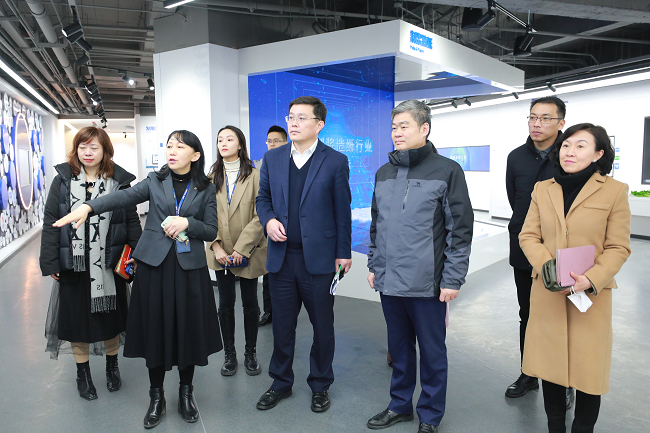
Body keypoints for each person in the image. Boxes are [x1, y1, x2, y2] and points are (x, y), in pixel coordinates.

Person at [53, 130, 221, 429]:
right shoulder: (155, 181)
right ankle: (156, 397)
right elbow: (123, 197)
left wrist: (187, 222)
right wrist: (89, 207)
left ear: (195, 155)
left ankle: (186, 393)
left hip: (189, 270)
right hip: (154, 267)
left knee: (187, 331)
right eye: (169, 145)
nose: (172, 151)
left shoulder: (206, 188)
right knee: (155, 330)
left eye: (180, 147)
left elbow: (210, 230)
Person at [366, 100, 473, 433]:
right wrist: (374, 264)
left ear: (424, 128)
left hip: (428, 283)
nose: (397, 133)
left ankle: (430, 415)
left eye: (404, 126)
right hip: (389, 281)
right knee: (399, 350)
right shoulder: (383, 173)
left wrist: (452, 278)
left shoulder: (447, 170)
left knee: (431, 353)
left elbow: (459, 229)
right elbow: (376, 225)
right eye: (394, 127)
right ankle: (400, 405)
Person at [519, 123, 631, 433]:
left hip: (590, 295)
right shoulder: (543, 189)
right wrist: (550, 269)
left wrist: (591, 278)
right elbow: (528, 236)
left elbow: (618, 246)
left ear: (598, 154)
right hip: (549, 292)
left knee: (589, 370)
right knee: (551, 366)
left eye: (581, 146)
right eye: (566, 145)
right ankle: (555, 427)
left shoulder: (614, 190)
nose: (570, 151)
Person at [255, 96, 352, 413]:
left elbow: (342, 211)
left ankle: (320, 385)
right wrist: (269, 220)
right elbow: (263, 199)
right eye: (290, 117)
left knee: (323, 326)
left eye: (301, 118)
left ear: (319, 124)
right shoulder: (273, 158)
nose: (293, 123)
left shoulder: (335, 161)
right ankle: (280, 382)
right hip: (282, 259)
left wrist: (343, 252)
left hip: (320, 261)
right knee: (282, 327)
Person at [40, 126, 142, 400]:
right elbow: (51, 221)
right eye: (82, 147)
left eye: (94, 147)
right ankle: (82, 374)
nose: (88, 152)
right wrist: (51, 262)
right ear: (76, 150)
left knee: (111, 320)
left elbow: (131, 221)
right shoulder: (62, 181)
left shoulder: (118, 182)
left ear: (105, 150)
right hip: (73, 265)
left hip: (108, 264)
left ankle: (112, 366)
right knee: (77, 323)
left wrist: (137, 254)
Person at [505, 96, 573, 403]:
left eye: (545, 118)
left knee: (562, 316)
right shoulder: (516, 157)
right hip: (524, 249)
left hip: (562, 251)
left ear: (561, 123)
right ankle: (529, 372)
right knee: (528, 313)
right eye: (533, 117)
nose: (537, 123)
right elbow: (515, 199)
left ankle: (565, 379)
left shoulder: (570, 156)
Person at [206, 126, 267, 377]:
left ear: (240, 144)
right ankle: (229, 355)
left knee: (251, 303)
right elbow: (204, 215)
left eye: (229, 139)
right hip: (220, 250)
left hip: (248, 251)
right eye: (220, 139)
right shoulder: (211, 177)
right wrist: (216, 246)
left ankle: (250, 353)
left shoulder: (256, 175)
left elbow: (261, 214)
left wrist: (242, 248)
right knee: (225, 303)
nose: (223, 143)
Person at [259, 125, 288, 327]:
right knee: (270, 274)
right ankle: (269, 311)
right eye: (269, 141)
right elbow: (262, 198)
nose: (272, 144)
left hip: (290, 232)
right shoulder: (265, 163)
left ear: (286, 142)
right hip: (270, 230)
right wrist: (268, 220)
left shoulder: (291, 164)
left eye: (276, 141)